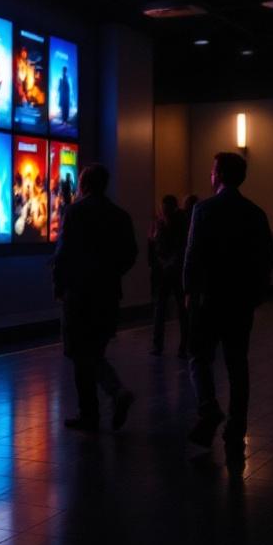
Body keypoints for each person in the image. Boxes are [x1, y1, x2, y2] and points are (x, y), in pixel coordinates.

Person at [182, 152, 273, 463]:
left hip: (208, 298)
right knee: (238, 365)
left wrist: (189, 290)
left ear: (218, 174)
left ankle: (208, 407)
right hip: (240, 301)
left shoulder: (203, 209)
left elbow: (193, 254)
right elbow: (265, 258)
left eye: (211, 169)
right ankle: (237, 428)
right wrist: (256, 294)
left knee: (199, 357)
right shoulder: (255, 213)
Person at [52, 163, 138, 431]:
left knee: (80, 354)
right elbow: (130, 253)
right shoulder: (120, 215)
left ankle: (94, 409)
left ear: (84, 184)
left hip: (78, 294)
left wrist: (59, 285)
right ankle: (110, 397)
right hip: (107, 293)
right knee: (95, 351)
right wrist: (111, 274)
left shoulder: (75, 212)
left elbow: (63, 254)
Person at [149, 195, 190, 357]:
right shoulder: (183, 222)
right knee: (182, 309)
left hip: (164, 272)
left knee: (160, 308)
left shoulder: (160, 223)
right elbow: (184, 246)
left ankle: (158, 345)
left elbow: (156, 247)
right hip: (178, 271)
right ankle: (184, 345)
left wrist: (164, 262)